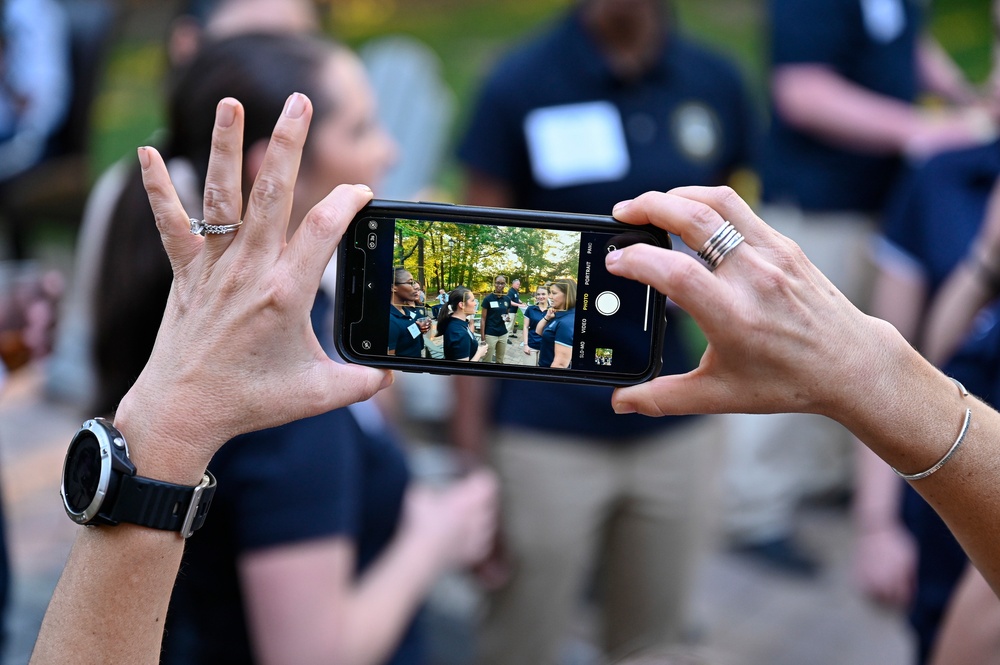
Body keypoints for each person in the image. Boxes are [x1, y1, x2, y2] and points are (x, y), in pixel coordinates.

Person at [32, 169, 1000, 664]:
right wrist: (877, 379)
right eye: (359, 125)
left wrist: (156, 436)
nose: (381, 153)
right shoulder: (301, 426)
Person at [88, 35, 495, 665]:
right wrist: (432, 539)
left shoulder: (213, 321)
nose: (389, 148)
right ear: (273, 167)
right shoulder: (287, 396)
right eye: (361, 128)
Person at [455, 0, 755, 661]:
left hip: (676, 416)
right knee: (519, 636)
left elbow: (730, 235)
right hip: (545, 423)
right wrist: (472, 458)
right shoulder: (521, 82)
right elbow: (475, 272)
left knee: (654, 642)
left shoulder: (715, 80)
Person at [723, 0, 1000, 575]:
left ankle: (829, 480)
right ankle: (755, 510)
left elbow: (909, 45)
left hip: (876, 199)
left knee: (852, 348)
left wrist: (959, 94)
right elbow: (801, 92)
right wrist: (921, 128)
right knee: (785, 346)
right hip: (817, 204)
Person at [436, 287, 487, 362]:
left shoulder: (457, 322)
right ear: (461, 305)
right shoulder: (459, 333)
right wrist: (479, 353)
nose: (475, 303)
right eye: (472, 300)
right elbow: (462, 370)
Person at [389, 267, 429, 358]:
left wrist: (419, 328)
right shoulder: (390, 321)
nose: (416, 287)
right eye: (410, 283)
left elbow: (404, 335)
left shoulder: (406, 312)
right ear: (393, 287)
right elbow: (389, 364)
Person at [537, 278, 575, 369]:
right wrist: (547, 317)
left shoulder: (566, 322)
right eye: (550, 293)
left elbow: (560, 364)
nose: (549, 297)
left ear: (567, 295)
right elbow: (539, 331)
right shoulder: (558, 314)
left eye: (554, 293)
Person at [479, 275, 512, 363]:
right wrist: (482, 338)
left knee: (500, 360)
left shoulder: (507, 299)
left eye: (502, 283)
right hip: (490, 334)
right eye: (498, 283)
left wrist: (507, 318)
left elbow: (506, 314)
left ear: (505, 285)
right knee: (487, 359)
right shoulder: (488, 299)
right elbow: (483, 319)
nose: (500, 285)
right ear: (494, 284)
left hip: (503, 333)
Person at [520, 284, 548, 362]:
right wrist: (525, 345)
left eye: (543, 294)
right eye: (538, 294)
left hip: (546, 347)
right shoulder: (531, 309)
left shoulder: (552, 311)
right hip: (531, 345)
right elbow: (525, 327)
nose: (540, 296)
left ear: (548, 295)